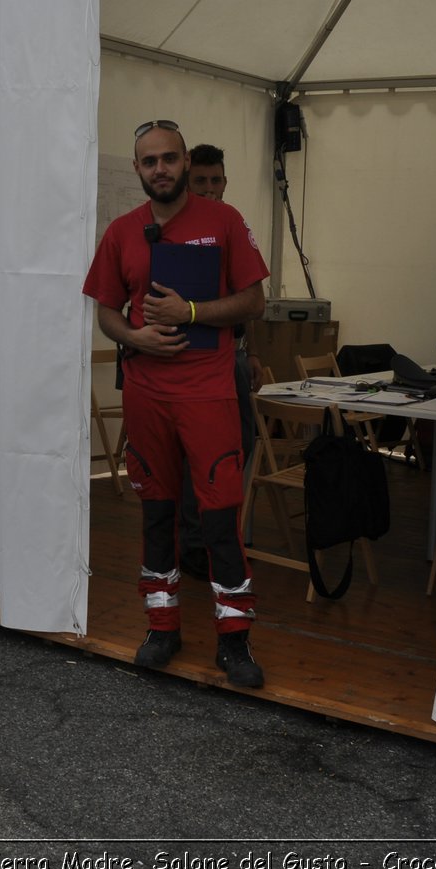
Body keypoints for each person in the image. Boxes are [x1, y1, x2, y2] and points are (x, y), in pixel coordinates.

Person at [82, 119, 268, 688]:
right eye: (148, 161)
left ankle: (234, 640)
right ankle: (162, 627)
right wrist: (134, 338)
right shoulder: (122, 231)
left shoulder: (225, 221)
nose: (159, 168)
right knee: (157, 512)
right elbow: (107, 309)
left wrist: (190, 313)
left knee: (219, 518)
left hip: (208, 391)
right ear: (137, 168)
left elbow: (254, 302)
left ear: (185, 162)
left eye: (169, 158)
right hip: (147, 393)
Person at [178, 144, 264, 579]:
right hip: (191, 361)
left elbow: (253, 300)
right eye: (201, 181)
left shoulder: (233, 225)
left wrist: (253, 353)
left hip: (233, 355)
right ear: (187, 183)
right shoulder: (178, 227)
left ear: (226, 182)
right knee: (197, 457)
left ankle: (217, 538)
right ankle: (195, 546)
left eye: (217, 181)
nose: (210, 189)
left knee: (238, 450)